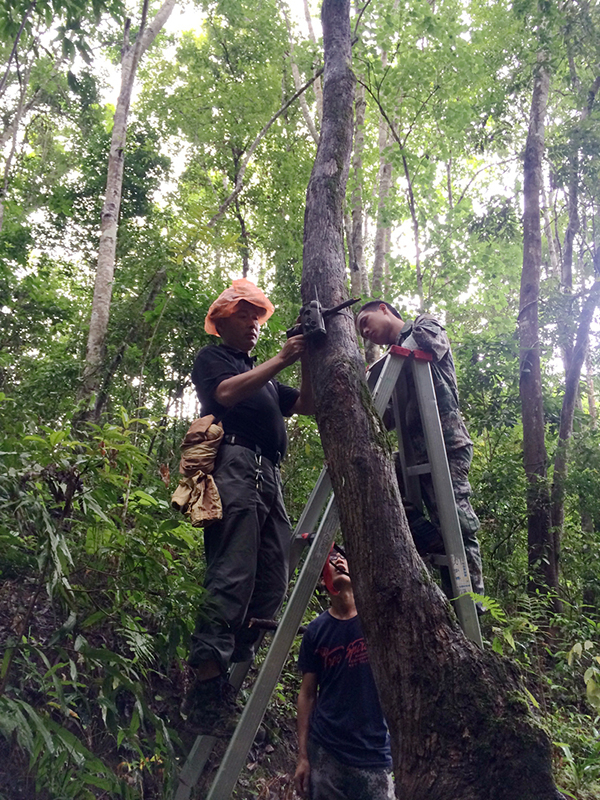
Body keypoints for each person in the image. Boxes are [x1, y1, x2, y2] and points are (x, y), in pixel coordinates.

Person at [183, 279, 314, 732]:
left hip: (270, 476)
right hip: (235, 467)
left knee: (274, 579)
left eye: (259, 319)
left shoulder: (267, 379)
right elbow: (224, 395)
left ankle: (229, 658)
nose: (255, 325)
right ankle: (205, 686)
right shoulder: (215, 359)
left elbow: (310, 403)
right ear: (222, 322)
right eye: (246, 316)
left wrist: (308, 353)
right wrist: (282, 358)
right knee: (231, 574)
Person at [356, 300, 485, 598]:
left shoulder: (423, 325)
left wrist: (390, 358)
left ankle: (471, 600)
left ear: (385, 310)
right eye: (362, 331)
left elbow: (430, 344)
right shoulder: (392, 364)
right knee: (381, 482)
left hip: (447, 443)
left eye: (366, 320)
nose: (366, 331)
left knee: (457, 523)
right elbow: (386, 417)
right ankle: (432, 542)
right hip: (414, 453)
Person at [294, 550, 394, 800]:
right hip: (328, 750)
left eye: (342, 557)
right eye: (330, 562)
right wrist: (303, 757)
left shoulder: (379, 621)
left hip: (374, 752)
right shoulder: (316, 631)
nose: (337, 562)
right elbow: (307, 695)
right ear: (321, 580)